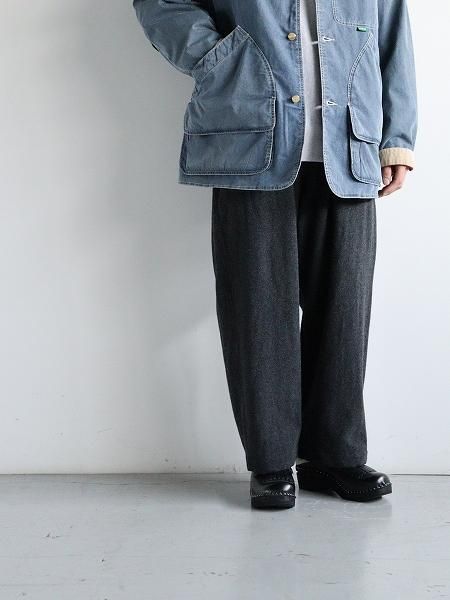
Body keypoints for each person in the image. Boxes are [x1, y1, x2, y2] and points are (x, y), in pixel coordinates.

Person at [133, 0, 418, 509]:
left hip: (350, 142)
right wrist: (218, 56)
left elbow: (394, 36)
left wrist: (397, 139)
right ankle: (272, 461)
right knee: (258, 309)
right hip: (250, 137)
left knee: (345, 309)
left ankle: (333, 456)